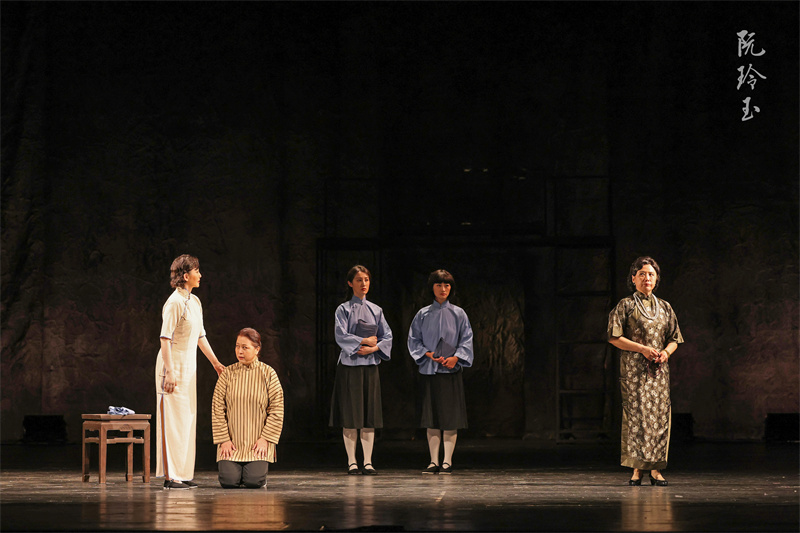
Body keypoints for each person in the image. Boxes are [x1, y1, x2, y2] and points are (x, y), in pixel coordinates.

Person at [608, 256, 684, 487]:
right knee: (638, 417)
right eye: (642, 274)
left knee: (659, 418)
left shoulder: (665, 307)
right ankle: (637, 469)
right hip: (634, 372)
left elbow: (675, 339)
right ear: (633, 278)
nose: (647, 278)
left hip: (658, 373)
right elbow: (614, 337)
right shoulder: (626, 305)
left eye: (651, 274)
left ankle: (656, 470)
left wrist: (666, 353)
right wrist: (642, 349)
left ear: (656, 278)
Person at [156, 254, 225, 489]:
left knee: (186, 419)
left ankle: (183, 473)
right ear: (186, 276)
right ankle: (171, 476)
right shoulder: (174, 302)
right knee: (173, 420)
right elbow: (165, 338)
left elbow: (200, 336)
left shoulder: (194, 302)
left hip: (188, 368)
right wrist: (170, 371)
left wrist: (215, 363)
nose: (200, 275)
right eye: (197, 271)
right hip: (172, 365)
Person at [407, 269, 474, 474]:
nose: (443, 289)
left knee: (450, 418)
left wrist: (456, 358)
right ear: (432, 288)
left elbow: (466, 340)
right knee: (432, 417)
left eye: (446, 285)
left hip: (450, 371)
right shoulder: (423, 314)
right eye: (439, 285)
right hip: (430, 371)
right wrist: (427, 354)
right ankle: (433, 461)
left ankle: (447, 461)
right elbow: (413, 340)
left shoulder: (459, 313)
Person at [329, 265, 393, 475]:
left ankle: (367, 461)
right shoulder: (343, 309)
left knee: (368, 415)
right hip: (350, 367)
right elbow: (340, 335)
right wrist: (364, 341)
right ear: (350, 283)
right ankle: (352, 461)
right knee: (351, 415)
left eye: (366, 279)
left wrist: (374, 348)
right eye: (358, 280)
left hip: (370, 367)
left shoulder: (376, 310)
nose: (363, 283)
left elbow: (387, 336)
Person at [211, 328, 284, 488]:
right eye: (237, 346)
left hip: (257, 443)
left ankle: (255, 473)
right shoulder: (227, 374)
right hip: (231, 443)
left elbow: (277, 409)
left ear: (257, 349)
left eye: (245, 347)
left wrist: (265, 439)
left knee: (254, 481)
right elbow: (217, 409)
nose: (240, 351)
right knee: (228, 482)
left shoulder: (268, 373)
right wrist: (224, 440)